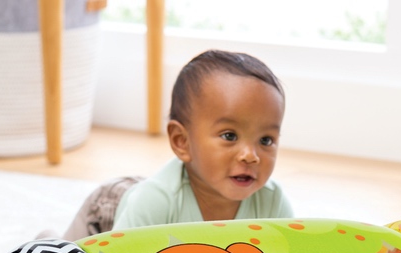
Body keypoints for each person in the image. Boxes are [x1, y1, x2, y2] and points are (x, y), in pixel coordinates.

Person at [57, 49, 292, 242]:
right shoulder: (153, 202)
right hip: (108, 215)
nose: (251, 156)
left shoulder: (272, 201)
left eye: (266, 140)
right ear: (182, 142)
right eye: (230, 136)